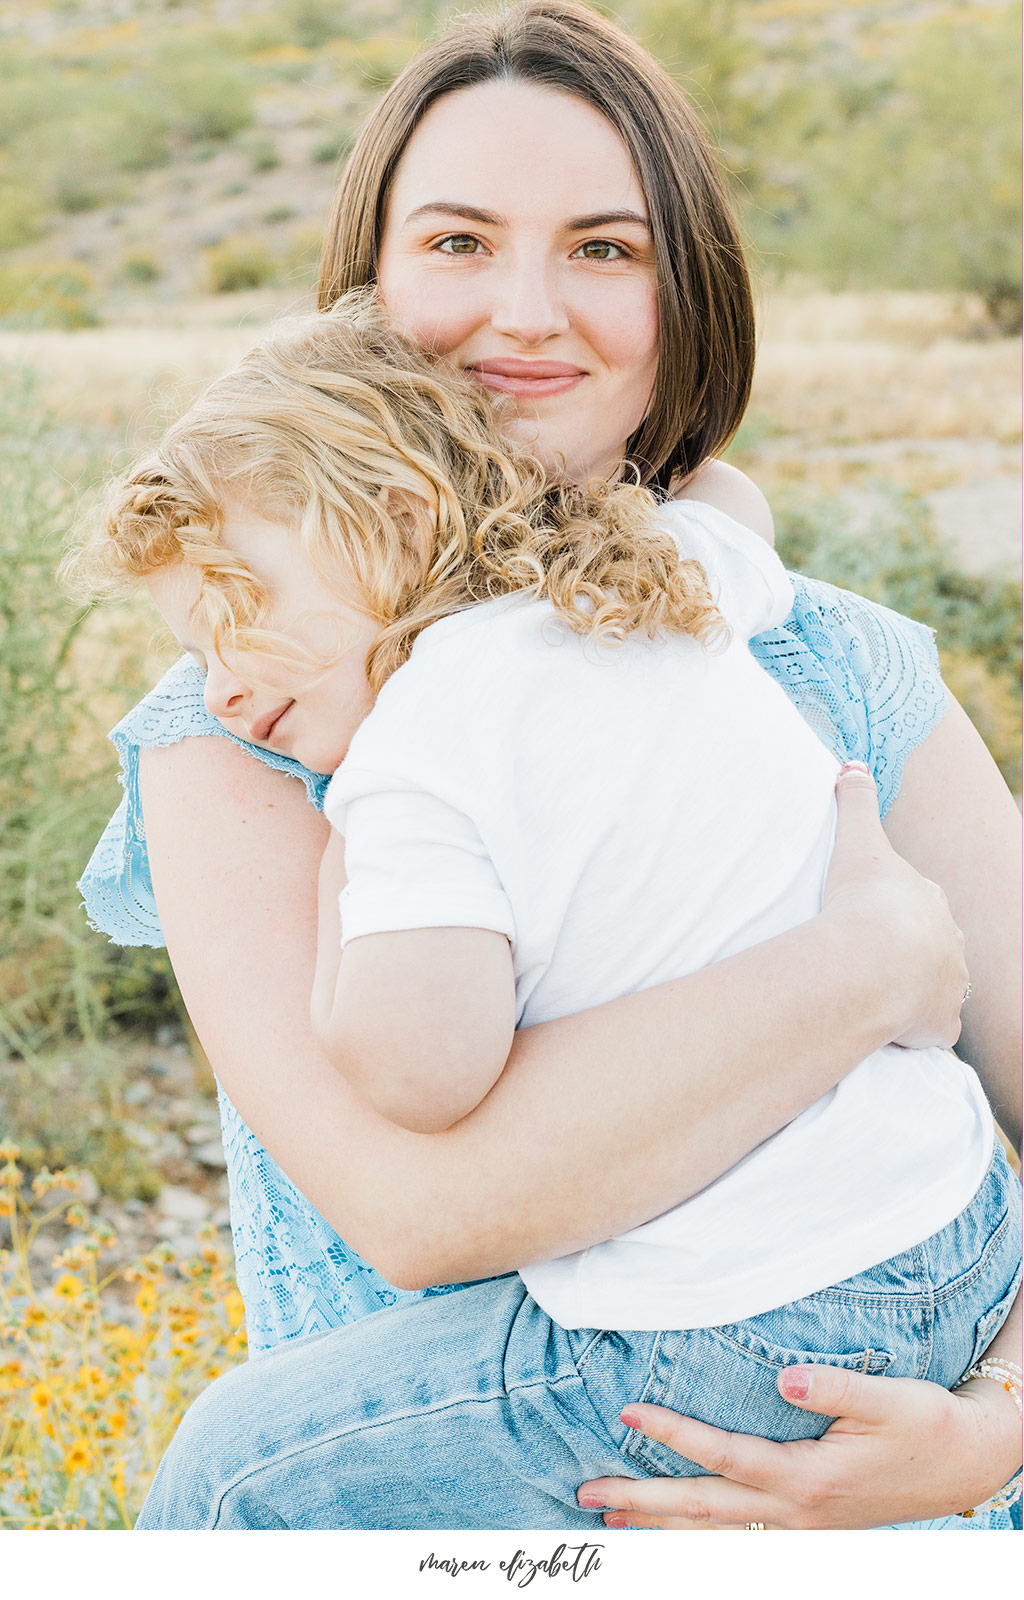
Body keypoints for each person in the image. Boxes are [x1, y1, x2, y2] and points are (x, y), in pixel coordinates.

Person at [76, 1, 1020, 1528]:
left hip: (893, 1502)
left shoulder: (832, 662)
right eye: (456, 243)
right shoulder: (248, 726)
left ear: (685, 295)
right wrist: (872, 961)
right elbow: (421, 1208)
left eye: (605, 248)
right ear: (363, 291)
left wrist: (997, 1427)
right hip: (456, 1521)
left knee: (221, 1485)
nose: (525, 313)